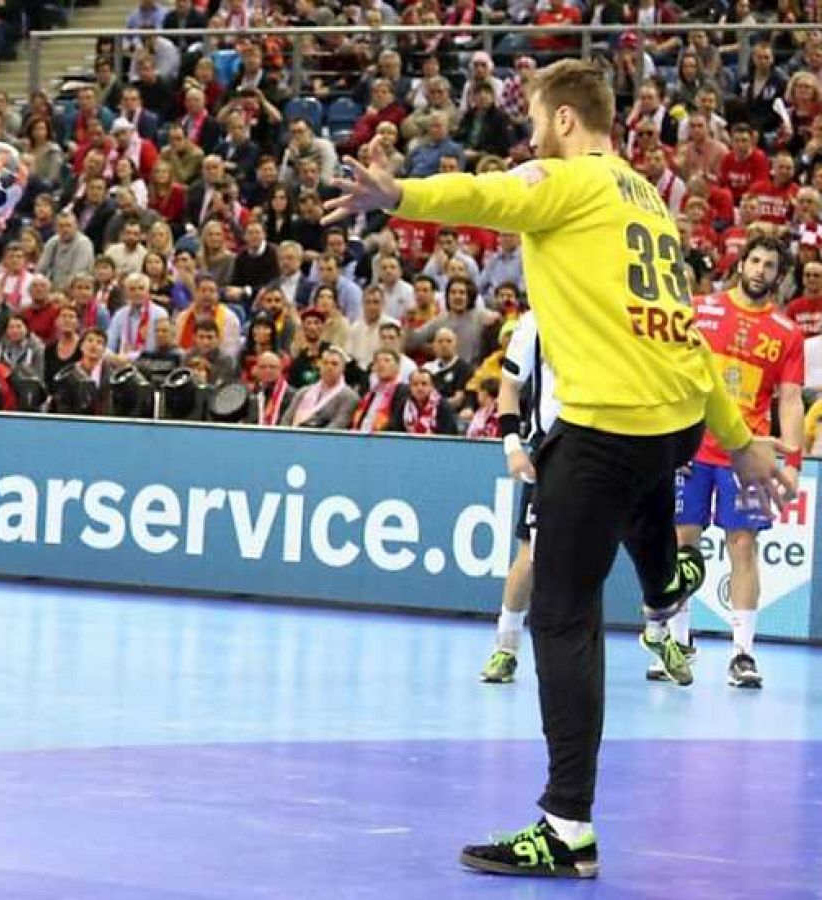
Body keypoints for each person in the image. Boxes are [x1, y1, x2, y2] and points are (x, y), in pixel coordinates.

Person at [325, 59, 791, 879]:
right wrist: (738, 435)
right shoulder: (647, 203)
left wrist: (398, 195)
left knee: (562, 613)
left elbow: (487, 194)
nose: (531, 135)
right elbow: (687, 336)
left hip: (607, 429)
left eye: (537, 120)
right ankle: (667, 580)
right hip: (671, 427)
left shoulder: (570, 180)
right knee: (644, 510)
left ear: (566, 120)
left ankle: (566, 825)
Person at [644, 237, 806, 689]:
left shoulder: (786, 332)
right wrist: (668, 439)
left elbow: (790, 400)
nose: (760, 270)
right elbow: (671, 374)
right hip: (692, 449)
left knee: (743, 545)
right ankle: (677, 645)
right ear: (741, 264)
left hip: (745, 456)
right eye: (754, 260)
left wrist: (793, 462)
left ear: (779, 276)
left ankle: (742, 653)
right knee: (683, 543)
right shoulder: (701, 310)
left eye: (770, 265)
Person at [479, 310, 556, 685]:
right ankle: (505, 647)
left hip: (605, 446)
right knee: (530, 555)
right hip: (551, 449)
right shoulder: (535, 322)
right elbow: (509, 386)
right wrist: (512, 447)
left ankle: (661, 635)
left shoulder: (609, 308)